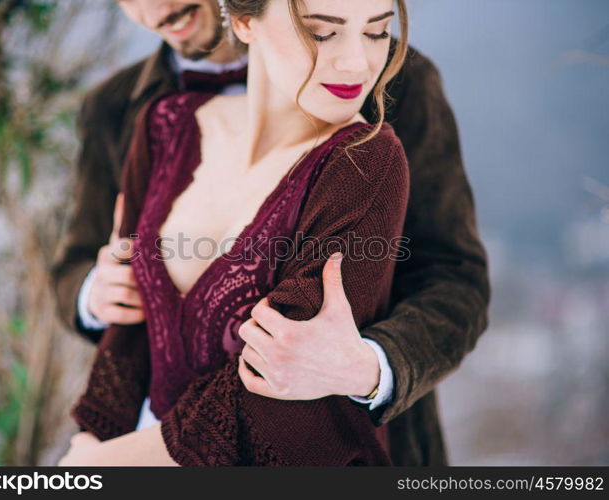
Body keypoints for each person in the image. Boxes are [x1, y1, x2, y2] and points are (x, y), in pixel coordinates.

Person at [51, 0, 490, 466]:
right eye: (321, 33)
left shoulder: (385, 116)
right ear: (244, 21)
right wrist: (97, 296)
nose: (157, 5)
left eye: (376, 33)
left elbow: (453, 277)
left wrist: (369, 366)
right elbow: (97, 276)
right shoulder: (143, 115)